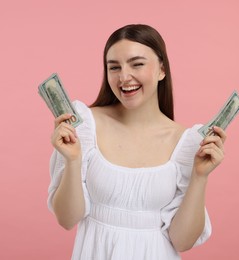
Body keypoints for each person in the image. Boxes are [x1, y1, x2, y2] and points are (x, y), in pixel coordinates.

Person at [47, 24, 226, 260]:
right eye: (114, 67)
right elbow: (67, 219)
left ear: (162, 69)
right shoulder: (84, 125)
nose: (124, 77)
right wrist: (72, 160)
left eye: (137, 64)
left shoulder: (187, 144)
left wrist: (200, 176)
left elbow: (182, 241)